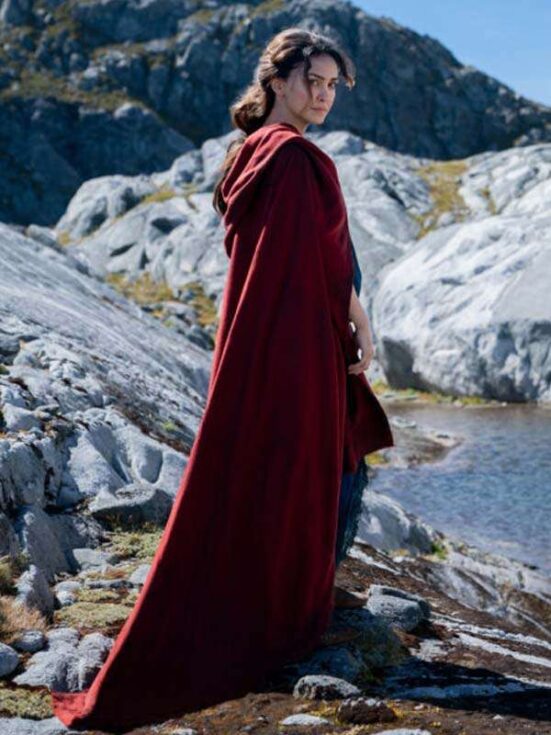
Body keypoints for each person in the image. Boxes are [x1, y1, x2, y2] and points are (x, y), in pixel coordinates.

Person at [50, 27, 394, 732]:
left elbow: (305, 260)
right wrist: (352, 324)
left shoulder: (252, 153)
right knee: (321, 471)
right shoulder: (291, 157)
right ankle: (285, 612)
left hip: (278, 342)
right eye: (312, 81)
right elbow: (312, 266)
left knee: (294, 469)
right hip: (298, 349)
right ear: (277, 81)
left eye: (332, 85)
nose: (323, 95)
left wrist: (350, 316)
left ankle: (280, 601)